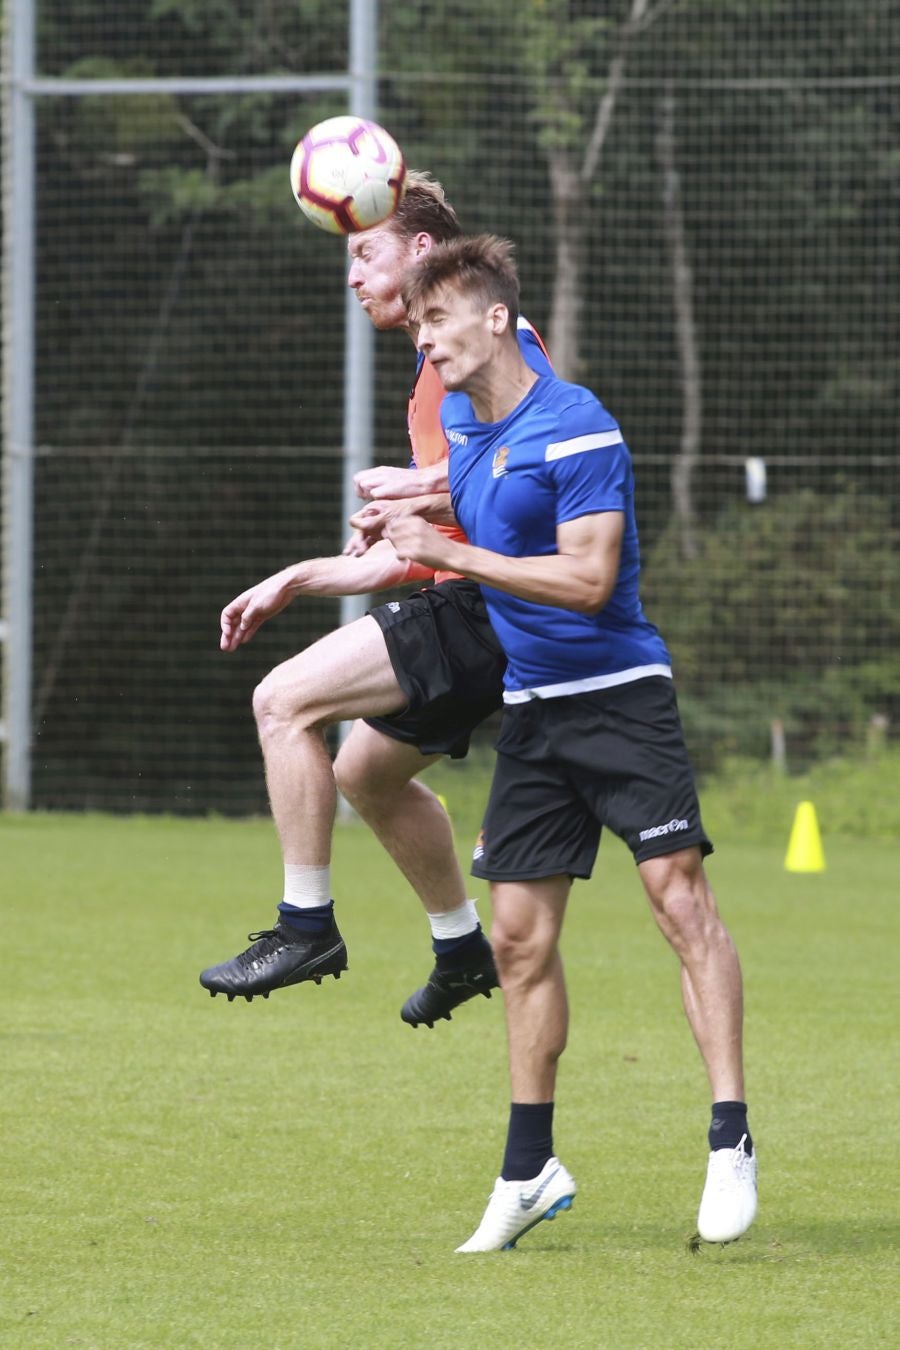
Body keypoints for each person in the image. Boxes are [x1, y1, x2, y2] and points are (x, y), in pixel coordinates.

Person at [382, 234, 757, 1252]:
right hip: (537, 710)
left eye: (437, 322)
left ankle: (730, 1141)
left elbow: (588, 582)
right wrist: (313, 569)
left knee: (678, 899)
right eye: (415, 327)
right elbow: (462, 519)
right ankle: (528, 1169)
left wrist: (449, 549)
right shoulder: (462, 421)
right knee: (515, 940)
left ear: (497, 317)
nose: (424, 343)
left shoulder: (579, 425)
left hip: (621, 696)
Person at [198, 175, 553, 1031]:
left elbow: (542, 452)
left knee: (281, 702)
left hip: (490, 611)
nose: (354, 277)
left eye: (366, 253)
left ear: (422, 252)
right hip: (473, 602)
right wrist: (300, 575)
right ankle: (461, 947)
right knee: (365, 773)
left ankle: (305, 927)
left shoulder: (491, 342)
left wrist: (425, 487)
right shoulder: (434, 370)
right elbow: (433, 541)